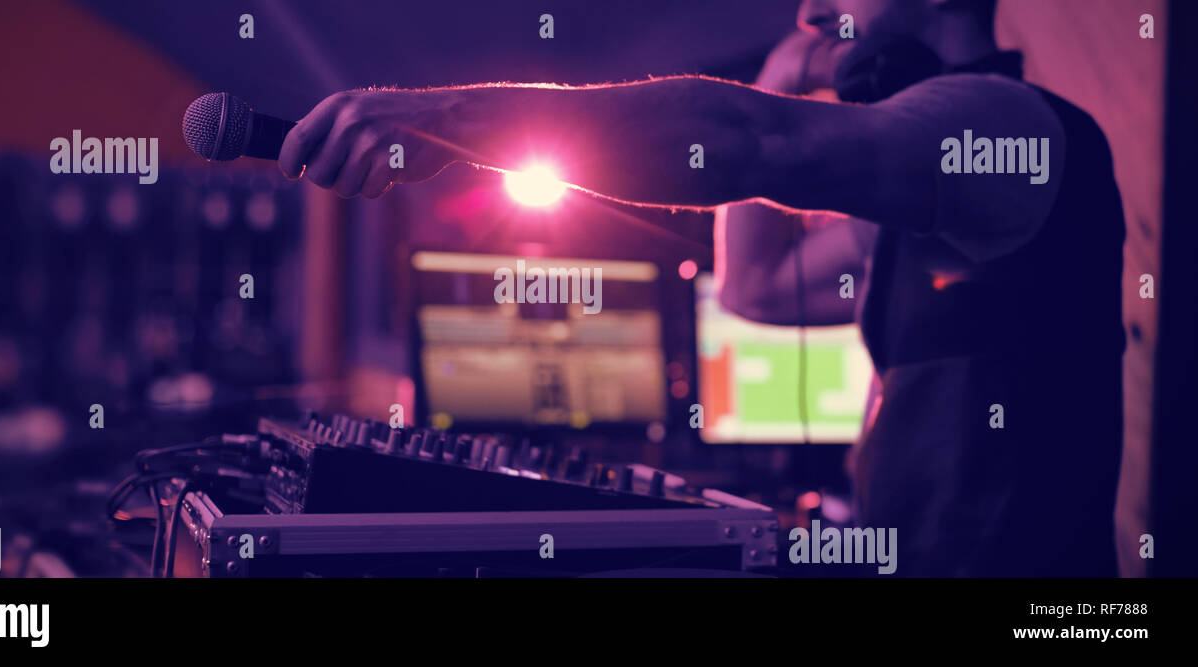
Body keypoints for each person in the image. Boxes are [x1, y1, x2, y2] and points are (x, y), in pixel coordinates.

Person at [279, 0, 1125, 576]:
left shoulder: (999, 124)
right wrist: (781, 77)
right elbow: (756, 287)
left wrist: (459, 121)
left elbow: (754, 143)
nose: (807, 11)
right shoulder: (932, 190)